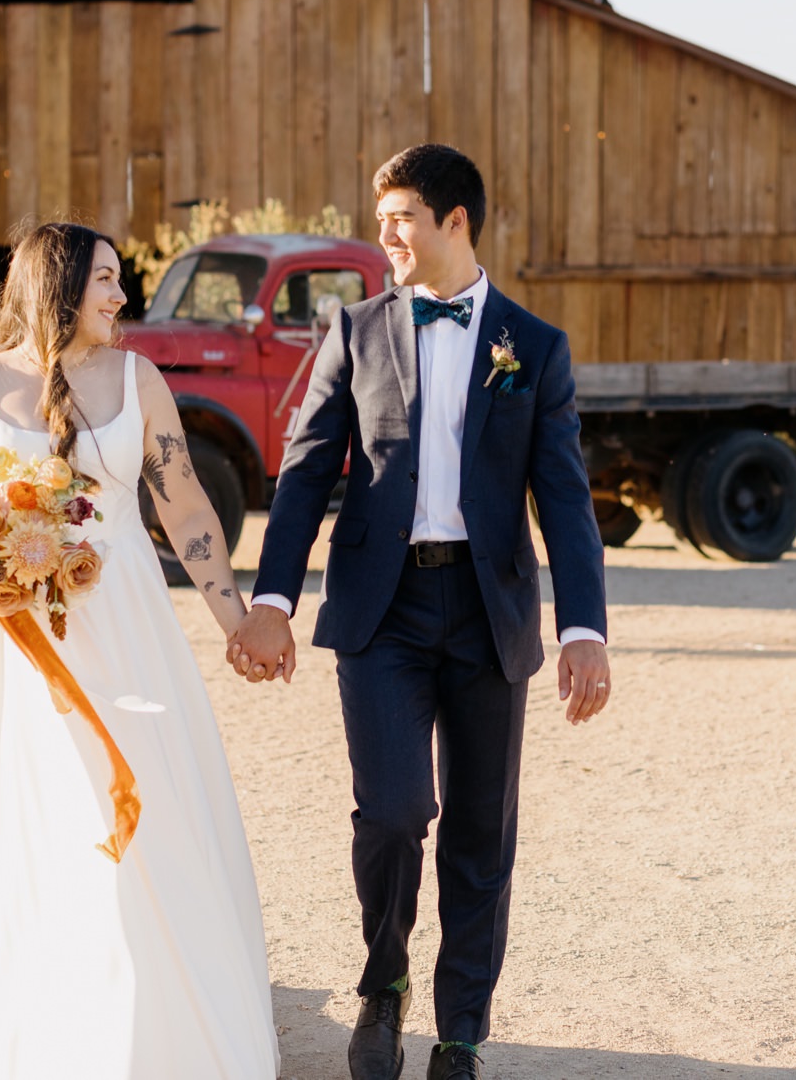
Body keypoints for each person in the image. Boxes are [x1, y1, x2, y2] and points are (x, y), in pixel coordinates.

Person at [229, 144, 611, 1080]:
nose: (384, 232)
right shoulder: (354, 331)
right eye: (382, 214)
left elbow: (563, 497)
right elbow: (308, 470)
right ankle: (384, 980)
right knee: (395, 812)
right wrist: (272, 598)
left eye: (400, 214)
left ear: (455, 220)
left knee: (483, 830)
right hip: (381, 609)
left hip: (491, 615)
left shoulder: (535, 346)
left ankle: (460, 1033)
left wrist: (584, 627)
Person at [0, 223, 278, 1078]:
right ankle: (48, 992)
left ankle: (149, 995)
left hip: (128, 629)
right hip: (14, 646)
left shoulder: (140, 381)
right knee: (40, 813)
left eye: (117, 280)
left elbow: (184, 510)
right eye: (104, 279)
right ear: (56, 287)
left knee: (138, 804)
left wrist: (237, 619)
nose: (119, 297)